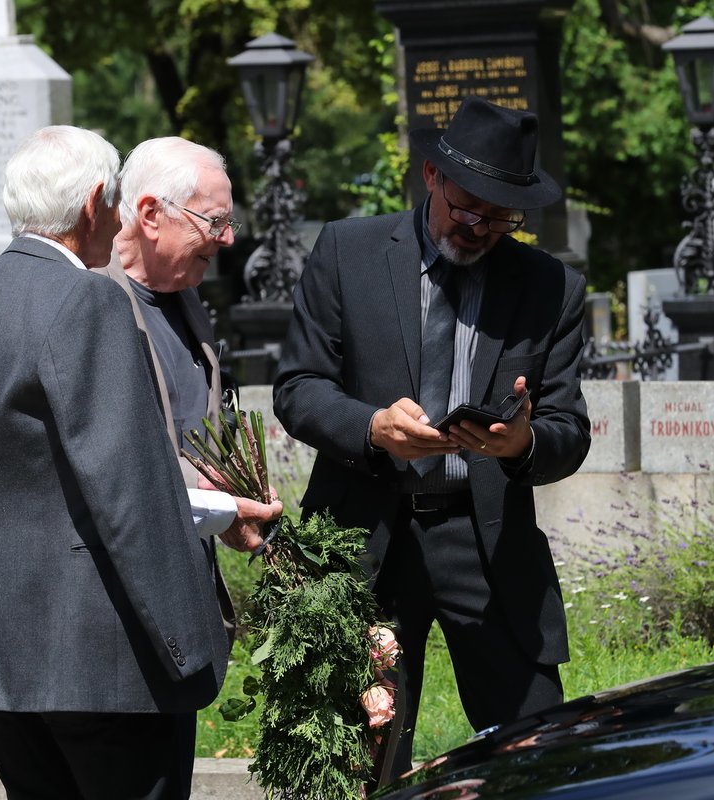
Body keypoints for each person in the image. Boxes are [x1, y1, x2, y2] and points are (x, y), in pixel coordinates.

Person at [0, 125, 272, 800]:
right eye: (113, 202)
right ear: (93, 204)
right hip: (103, 660)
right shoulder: (91, 300)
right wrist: (187, 648)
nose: (115, 219)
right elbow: (128, 490)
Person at [273, 96, 591, 776]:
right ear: (431, 177)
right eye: (465, 208)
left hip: (487, 544)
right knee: (362, 761)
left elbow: (569, 427)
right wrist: (371, 427)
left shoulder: (550, 288)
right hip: (367, 541)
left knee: (536, 756)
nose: (476, 229)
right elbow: (297, 388)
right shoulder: (346, 253)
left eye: (498, 219)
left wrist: (522, 447)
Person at [93, 135, 272, 560]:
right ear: (152, 214)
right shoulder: (92, 301)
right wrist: (217, 504)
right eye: (214, 221)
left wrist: (236, 485)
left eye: (230, 223)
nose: (227, 239)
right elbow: (109, 456)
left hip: (190, 564)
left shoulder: (185, 293)